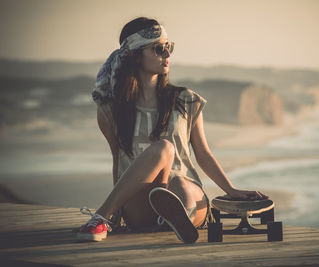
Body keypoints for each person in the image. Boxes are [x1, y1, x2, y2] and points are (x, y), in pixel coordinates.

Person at [77, 17, 268, 243]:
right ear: (135, 55)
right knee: (163, 149)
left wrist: (230, 188)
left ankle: (178, 216)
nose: (167, 55)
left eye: (169, 48)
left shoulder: (186, 100)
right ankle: (109, 217)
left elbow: (203, 154)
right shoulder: (111, 110)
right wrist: (118, 213)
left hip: (187, 191)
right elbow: (118, 160)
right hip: (141, 205)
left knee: (179, 182)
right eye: (158, 49)